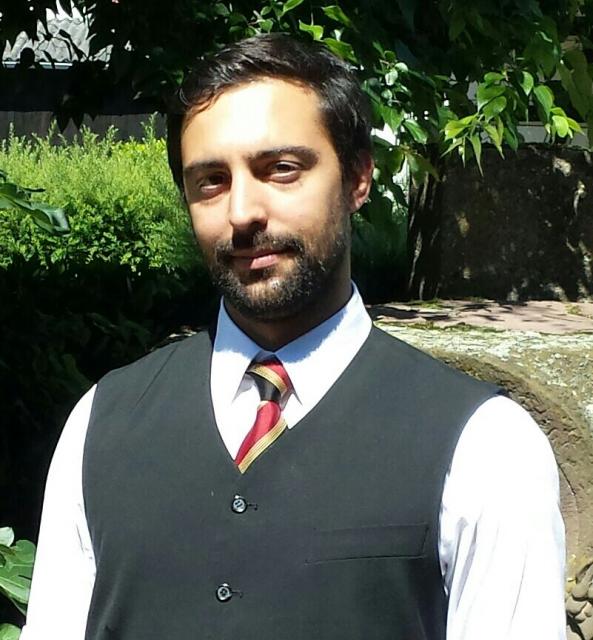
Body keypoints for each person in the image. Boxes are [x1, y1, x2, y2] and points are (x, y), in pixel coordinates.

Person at [22, 34, 565, 640]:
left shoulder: (486, 447)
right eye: (211, 180)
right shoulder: (100, 425)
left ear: (358, 178)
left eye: (281, 170)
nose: (242, 212)